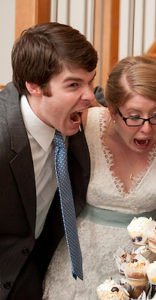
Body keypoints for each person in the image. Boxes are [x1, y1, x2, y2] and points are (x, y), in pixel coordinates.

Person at [42, 56, 156, 299]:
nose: (146, 129)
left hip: (147, 271)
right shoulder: (85, 122)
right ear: (111, 110)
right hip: (81, 266)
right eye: (133, 116)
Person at [0, 22, 98, 299]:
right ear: (34, 86)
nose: (90, 96)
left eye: (90, 81)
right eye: (73, 85)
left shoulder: (64, 112)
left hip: (36, 273)